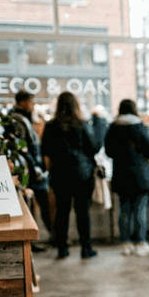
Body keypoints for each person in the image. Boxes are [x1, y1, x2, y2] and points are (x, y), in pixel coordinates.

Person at [41, 91, 100, 259]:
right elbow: (94, 147)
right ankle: (86, 248)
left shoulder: (51, 125)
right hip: (82, 174)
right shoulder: (82, 123)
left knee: (62, 211)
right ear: (76, 105)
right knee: (82, 212)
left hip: (60, 174)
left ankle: (62, 249)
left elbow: (45, 150)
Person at [105, 99, 149, 256]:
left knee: (124, 209)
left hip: (121, 173)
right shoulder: (139, 126)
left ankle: (126, 244)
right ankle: (141, 243)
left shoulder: (113, 127)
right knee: (140, 209)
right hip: (140, 173)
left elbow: (108, 151)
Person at [10, 90, 52, 249]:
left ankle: (47, 236)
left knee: (39, 202)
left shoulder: (22, 117)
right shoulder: (17, 118)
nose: (32, 105)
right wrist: (34, 165)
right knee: (33, 203)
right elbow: (22, 146)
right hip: (29, 168)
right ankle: (33, 240)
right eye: (30, 102)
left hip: (31, 166)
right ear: (22, 102)